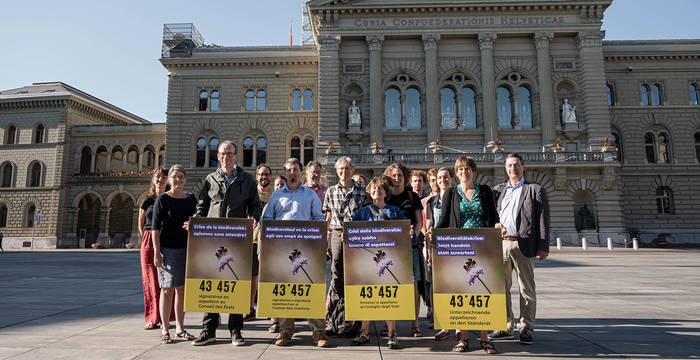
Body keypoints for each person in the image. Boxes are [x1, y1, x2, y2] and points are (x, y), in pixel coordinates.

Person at [189, 141, 261, 347]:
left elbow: (255, 206)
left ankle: (235, 330)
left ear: (236, 156)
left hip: (237, 240)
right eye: (222, 154)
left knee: (236, 284)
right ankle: (208, 330)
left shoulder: (246, 180)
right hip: (212, 239)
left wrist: (254, 217)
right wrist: (194, 221)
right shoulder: (211, 179)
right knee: (211, 285)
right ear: (218, 156)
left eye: (230, 154)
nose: (226, 157)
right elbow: (202, 206)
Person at [431, 157, 499, 354]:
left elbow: (493, 216)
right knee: (462, 291)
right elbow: (443, 219)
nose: (464, 172)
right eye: (460, 169)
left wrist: (497, 225)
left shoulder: (485, 191)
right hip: (458, 247)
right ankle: (463, 339)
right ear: (456, 172)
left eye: (467, 168)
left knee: (483, 291)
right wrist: (434, 236)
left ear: (473, 170)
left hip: (484, 246)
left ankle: (485, 339)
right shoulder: (451, 193)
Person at [262, 158, 328, 347]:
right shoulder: (275, 196)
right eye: (289, 170)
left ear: (301, 173)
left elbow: (319, 218)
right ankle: (285, 331)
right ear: (285, 172)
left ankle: (318, 332)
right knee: (285, 291)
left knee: (311, 289)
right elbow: (267, 221)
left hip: (306, 250)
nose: (292, 173)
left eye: (296, 169)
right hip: (282, 250)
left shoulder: (310, 196)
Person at [489, 153, 550, 345]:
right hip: (501, 245)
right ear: (505, 168)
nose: (512, 168)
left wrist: (543, 245)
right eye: (509, 166)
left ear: (523, 167)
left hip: (524, 244)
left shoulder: (534, 190)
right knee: (501, 288)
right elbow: (491, 216)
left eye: (516, 165)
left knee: (526, 288)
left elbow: (543, 219)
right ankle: (506, 326)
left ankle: (526, 328)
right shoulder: (497, 190)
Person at [349, 177, 405, 349]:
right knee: (368, 296)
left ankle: (392, 334)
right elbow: (353, 235)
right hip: (368, 261)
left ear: (385, 192)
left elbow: (403, 231)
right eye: (374, 189)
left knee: (389, 296)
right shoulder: (361, 213)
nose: (377, 192)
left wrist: (407, 232)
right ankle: (364, 333)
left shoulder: (395, 211)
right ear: (369, 192)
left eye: (380, 189)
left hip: (389, 261)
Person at [324, 157, 370, 336]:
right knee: (337, 277)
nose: (344, 172)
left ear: (353, 170)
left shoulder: (361, 191)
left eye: (347, 168)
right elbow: (327, 218)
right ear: (337, 172)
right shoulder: (331, 191)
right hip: (336, 235)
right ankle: (332, 320)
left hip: (356, 237)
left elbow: (366, 216)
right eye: (341, 169)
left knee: (356, 276)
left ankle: (354, 321)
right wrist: (327, 240)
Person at [152, 164, 197, 344]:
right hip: (167, 250)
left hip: (186, 249)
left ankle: (180, 328)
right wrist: (157, 252)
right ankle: (165, 328)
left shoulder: (191, 199)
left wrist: (192, 225)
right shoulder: (163, 199)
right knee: (166, 289)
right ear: (170, 179)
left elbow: (198, 221)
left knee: (181, 289)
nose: (178, 180)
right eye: (175, 176)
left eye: (181, 176)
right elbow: (155, 228)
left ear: (185, 179)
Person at [384, 163, 424, 337]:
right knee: (390, 286)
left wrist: (413, 236)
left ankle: (415, 324)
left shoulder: (411, 195)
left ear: (405, 177)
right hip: (389, 249)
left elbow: (419, 221)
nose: (397, 178)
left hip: (410, 247)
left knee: (413, 285)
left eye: (400, 175)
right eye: (394, 175)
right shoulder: (384, 196)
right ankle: (389, 325)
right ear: (389, 177)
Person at [139, 168, 173, 330]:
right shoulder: (147, 200)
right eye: (158, 177)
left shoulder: (170, 199)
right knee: (150, 281)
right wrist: (148, 240)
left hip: (166, 240)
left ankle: (165, 317)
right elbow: (141, 224)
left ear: (168, 181)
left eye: (164, 177)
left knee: (167, 281)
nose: (160, 180)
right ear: (153, 180)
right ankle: (153, 318)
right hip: (148, 241)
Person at [245, 163, 272, 322]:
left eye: (267, 174)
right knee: (252, 277)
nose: (264, 177)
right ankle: (249, 309)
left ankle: (269, 307)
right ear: (257, 176)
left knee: (268, 277)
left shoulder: (275, 195)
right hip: (253, 241)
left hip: (269, 243)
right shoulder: (250, 195)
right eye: (261, 174)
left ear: (270, 177)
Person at [267, 174, 286, 333]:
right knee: (277, 286)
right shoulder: (272, 200)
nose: (279, 187)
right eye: (277, 184)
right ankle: (276, 322)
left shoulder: (304, 196)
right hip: (276, 248)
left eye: (282, 184)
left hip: (296, 247)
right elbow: (264, 225)